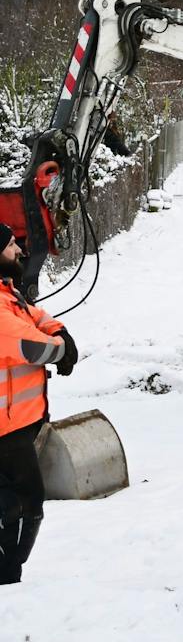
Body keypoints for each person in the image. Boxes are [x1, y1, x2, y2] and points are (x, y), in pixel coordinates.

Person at [0, 224, 75, 583]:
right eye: (11, 244)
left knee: (24, 504)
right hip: (4, 430)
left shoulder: (7, 294)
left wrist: (58, 331)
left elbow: (34, 317)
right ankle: (6, 579)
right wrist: (60, 349)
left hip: (13, 425)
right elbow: (30, 346)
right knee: (18, 509)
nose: (19, 250)